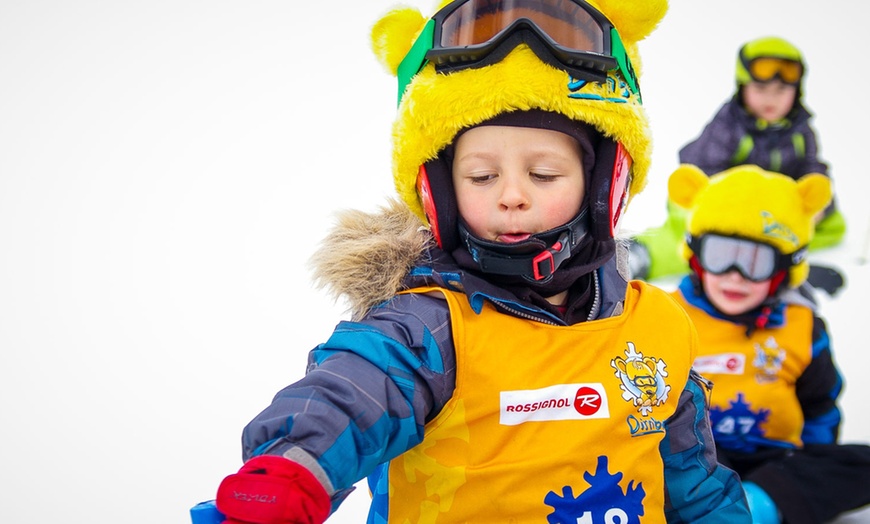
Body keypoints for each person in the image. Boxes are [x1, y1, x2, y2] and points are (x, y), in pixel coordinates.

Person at [206, 1, 752, 522]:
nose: (511, 195)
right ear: (438, 190)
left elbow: (695, 485)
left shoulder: (655, 326)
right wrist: (290, 470)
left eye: (543, 174)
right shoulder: (428, 326)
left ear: (604, 185)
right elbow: (353, 394)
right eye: (481, 177)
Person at [665, 163, 870, 524]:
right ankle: (717, 505)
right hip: (699, 456)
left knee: (859, 464)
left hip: (775, 459)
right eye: (720, 255)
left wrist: (812, 463)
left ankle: (756, 504)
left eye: (755, 261)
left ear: (785, 268)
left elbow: (819, 402)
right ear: (696, 256)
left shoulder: (801, 327)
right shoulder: (669, 317)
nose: (735, 275)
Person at [629, 36, 846, 285]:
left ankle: (783, 259)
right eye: (761, 89)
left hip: (770, 211)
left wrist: (815, 202)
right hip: (717, 202)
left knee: (833, 224)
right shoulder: (729, 125)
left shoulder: (801, 131)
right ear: (743, 88)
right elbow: (706, 167)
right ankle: (641, 255)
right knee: (694, 242)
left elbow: (811, 165)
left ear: (797, 92)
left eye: (781, 91)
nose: (770, 99)